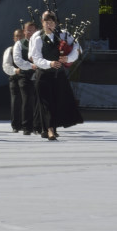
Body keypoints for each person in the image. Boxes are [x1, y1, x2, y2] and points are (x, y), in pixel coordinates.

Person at [28, 11, 82, 141]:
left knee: (57, 102)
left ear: (56, 23)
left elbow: (78, 49)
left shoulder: (64, 34)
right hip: (43, 74)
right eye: (46, 22)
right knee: (46, 103)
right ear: (42, 23)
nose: (49, 25)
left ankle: (49, 128)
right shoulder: (37, 37)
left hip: (59, 75)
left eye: (52, 22)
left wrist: (68, 58)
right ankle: (50, 129)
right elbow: (35, 57)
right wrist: (49, 63)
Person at [12, 20, 38, 135]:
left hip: (39, 75)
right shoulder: (19, 44)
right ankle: (27, 126)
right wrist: (30, 66)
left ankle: (38, 126)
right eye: (28, 30)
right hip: (25, 76)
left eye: (32, 30)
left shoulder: (40, 43)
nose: (30, 33)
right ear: (24, 31)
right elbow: (17, 60)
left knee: (39, 101)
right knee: (27, 100)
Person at [2, 28, 25, 133]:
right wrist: (15, 70)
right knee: (16, 101)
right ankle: (16, 125)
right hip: (15, 78)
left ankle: (27, 124)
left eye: (21, 36)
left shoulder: (28, 49)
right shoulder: (10, 50)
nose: (19, 38)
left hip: (27, 79)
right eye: (17, 36)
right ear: (14, 38)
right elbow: (6, 65)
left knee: (28, 101)